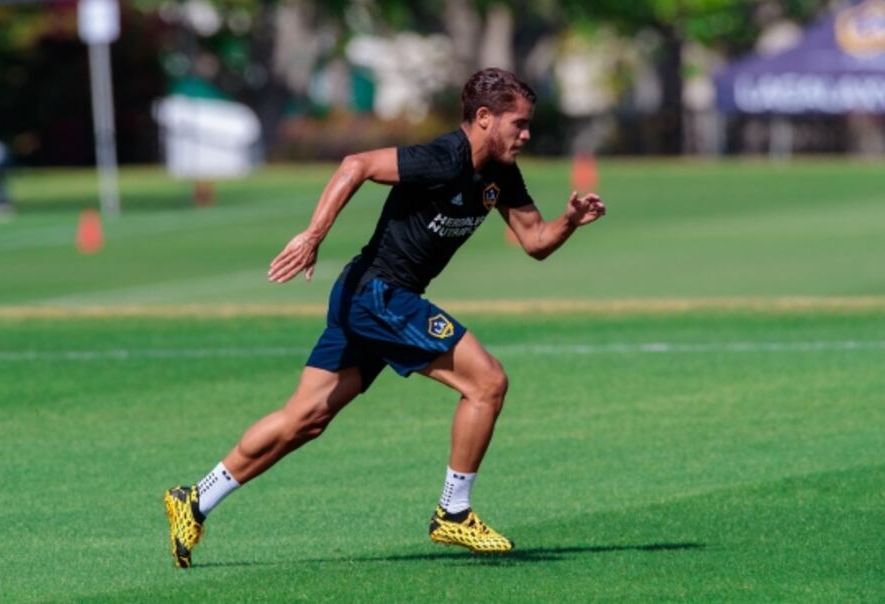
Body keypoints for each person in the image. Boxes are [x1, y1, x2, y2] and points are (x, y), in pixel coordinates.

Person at [164, 68, 606, 567]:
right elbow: (356, 164)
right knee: (487, 383)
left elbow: (535, 242)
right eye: (518, 124)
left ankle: (194, 499)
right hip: (379, 295)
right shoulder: (444, 157)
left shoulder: (500, 173)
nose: (525, 135)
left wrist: (570, 220)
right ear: (484, 118)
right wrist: (312, 236)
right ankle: (454, 514)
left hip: (370, 298)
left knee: (303, 420)